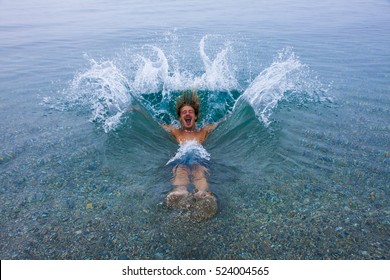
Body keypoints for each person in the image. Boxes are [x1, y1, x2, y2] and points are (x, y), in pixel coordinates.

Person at [161, 90, 220, 220]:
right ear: (180, 118)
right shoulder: (176, 131)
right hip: (182, 157)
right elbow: (158, 125)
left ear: (195, 117)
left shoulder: (203, 131)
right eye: (184, 113)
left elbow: (218, 124)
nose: (187, 114)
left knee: (199, 172)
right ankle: (180, 192)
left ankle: (203, 194)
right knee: (180, 170)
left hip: (199, 158)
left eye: (190, 112)